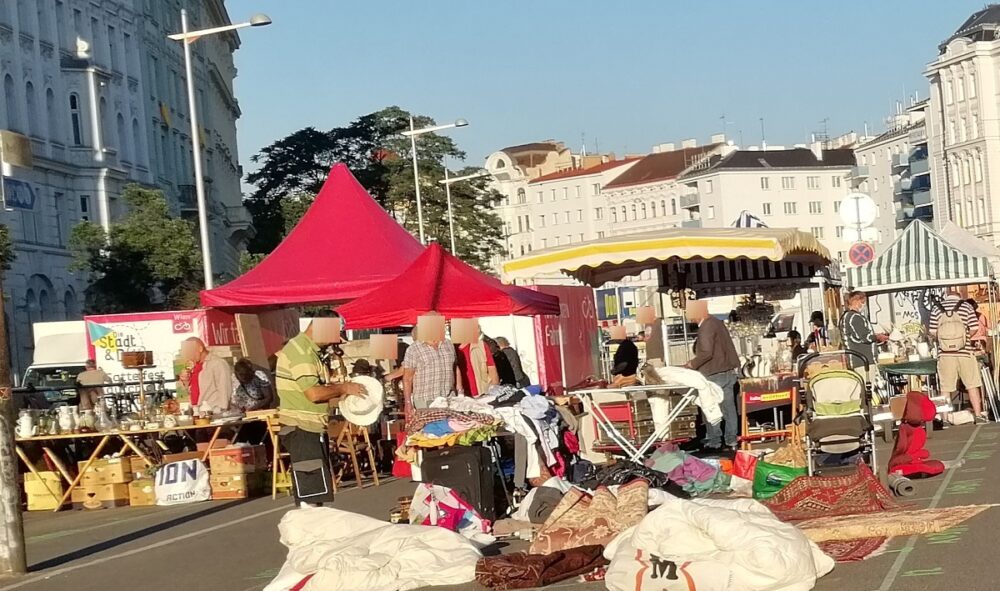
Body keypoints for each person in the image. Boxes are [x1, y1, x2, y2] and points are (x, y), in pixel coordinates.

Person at [275, 316, 366, 506]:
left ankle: (312, 527)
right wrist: (344, 388)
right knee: (312, 493)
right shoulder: (302, 352)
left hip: (308, 427)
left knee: (315, 489)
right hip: (302, 427)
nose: (336, 341)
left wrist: (335, 389)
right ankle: (310, 532)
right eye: (334, 335)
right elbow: (314, 394)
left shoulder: (307, 350)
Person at [683, 300, 740, 451]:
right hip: (728, 371)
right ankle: (731, 440)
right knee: (729, 408)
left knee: (710, 408)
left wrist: (692, 364)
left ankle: (715, 441)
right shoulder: (717, 323)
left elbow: (706, 352)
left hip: (713, 373)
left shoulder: (706, 327)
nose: (691, 319)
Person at [930, 291, 985, 422]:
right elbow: (974, 327)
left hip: (945, 354)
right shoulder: (966, 306)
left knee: (946, 388)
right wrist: (964, 337)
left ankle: (944, 419)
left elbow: (932, 331)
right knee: (972, 384)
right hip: (964, 352)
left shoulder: (937, 308)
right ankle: (978, 415)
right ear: (959, 296)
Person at [402, 317, 462, 414]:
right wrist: (408, 403)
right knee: (431, 428)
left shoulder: (448, 344)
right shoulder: (413, 349)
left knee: (453, 427)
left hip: (449, 398)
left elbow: (455, 368)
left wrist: (460, 392)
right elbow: (407, 378)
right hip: (426, 401)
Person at [178, 338, 232, 412]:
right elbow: (193, 391)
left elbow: (224, 389)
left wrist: (221, 411)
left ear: (200, 348)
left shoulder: (217, 363)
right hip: (198, 412)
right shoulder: (194, 367)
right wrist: (186, 381)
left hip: (213, 412)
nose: (189, 356)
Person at [840, 292, 887, 369]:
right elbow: (864, 337)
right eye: (862, 302)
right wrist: (878, 337)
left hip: (861, 361)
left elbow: (858, 335)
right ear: (855, 301)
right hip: (862, 362)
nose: (864, 305)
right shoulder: (854, 317)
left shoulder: (848, 317)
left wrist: (877, 335)